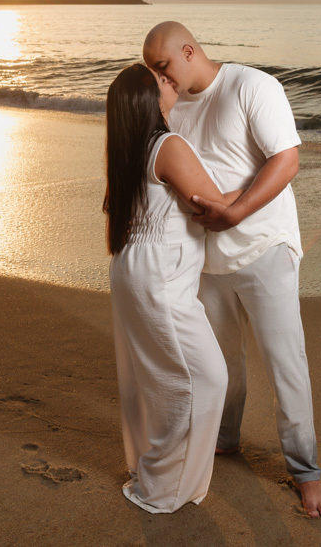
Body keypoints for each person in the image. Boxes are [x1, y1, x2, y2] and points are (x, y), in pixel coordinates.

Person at [143, 22, 321, 520]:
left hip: (264, 247)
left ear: (188, 51)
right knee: (221, 361)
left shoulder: (251, 86)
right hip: (205, 260)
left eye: (162, 67)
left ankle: (306, 471)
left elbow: (286, 161)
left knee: (284, 360)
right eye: (151, 72)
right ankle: (225, 439)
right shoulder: (170, 107)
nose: (158, 78)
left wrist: (234, 211)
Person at [105, 63, 243, 514]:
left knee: (160, 377)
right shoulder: (168, 146)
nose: (169, 81)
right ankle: (164, 489)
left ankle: (162, 473)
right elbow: (217, 203)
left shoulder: (126, 149)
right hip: (160, 274)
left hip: (134, 265)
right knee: (204, 379)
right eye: (159, 80)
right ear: (148, 99)